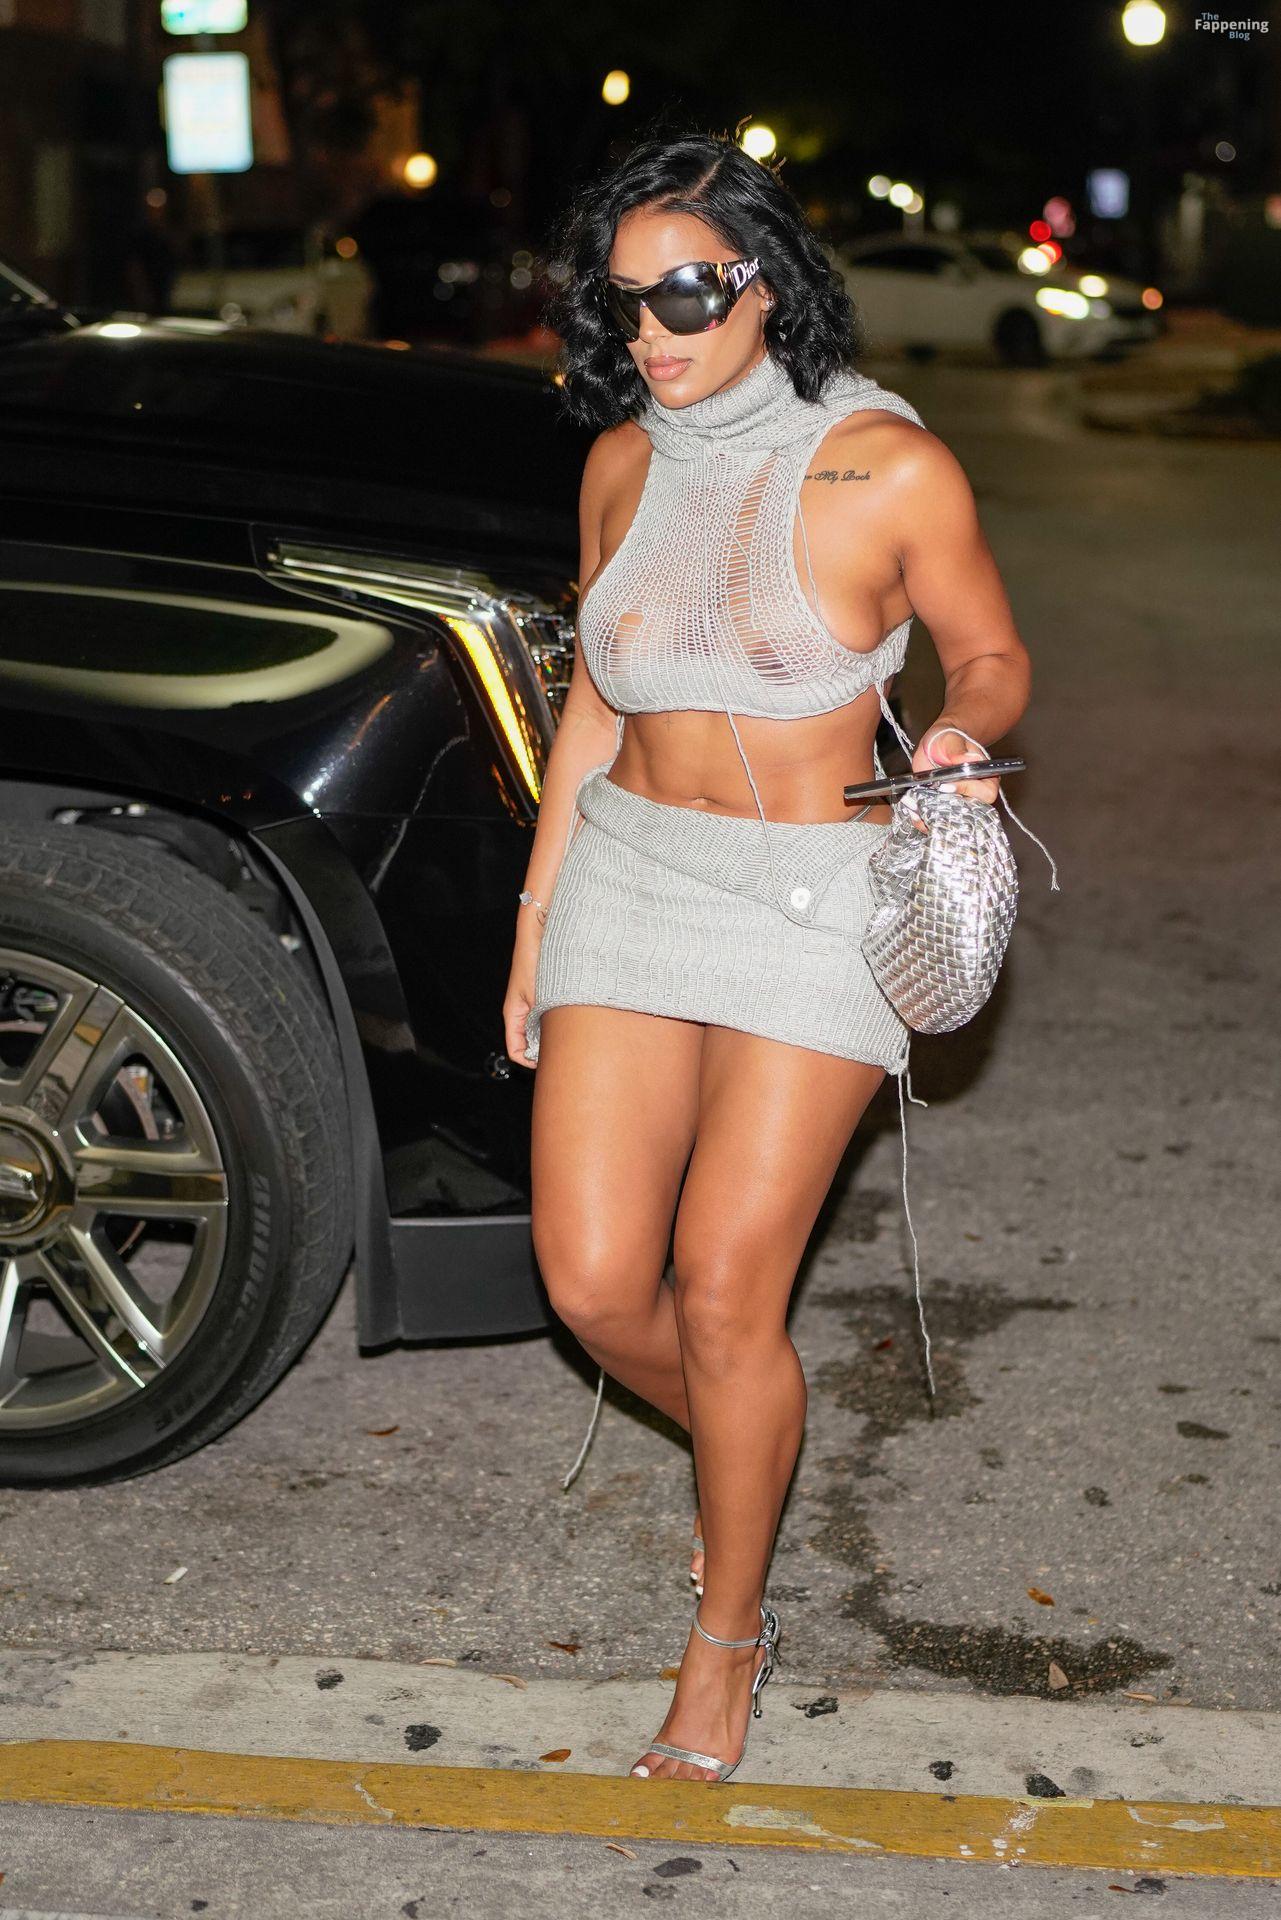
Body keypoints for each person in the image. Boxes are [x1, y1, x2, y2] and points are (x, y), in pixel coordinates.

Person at [503, 131, 1033, 1785]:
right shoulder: (617, 462)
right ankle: (748, 1443)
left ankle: (726, 1631)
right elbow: (595, 704)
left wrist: (960, 734)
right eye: (623, 302)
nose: (649, 331)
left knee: (729, 1291)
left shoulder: (885, 466)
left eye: (684, 294)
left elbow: (991, 652)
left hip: (814, 897)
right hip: (630, 875)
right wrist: (533, 927)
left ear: (764, 284)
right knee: (594, 1283)